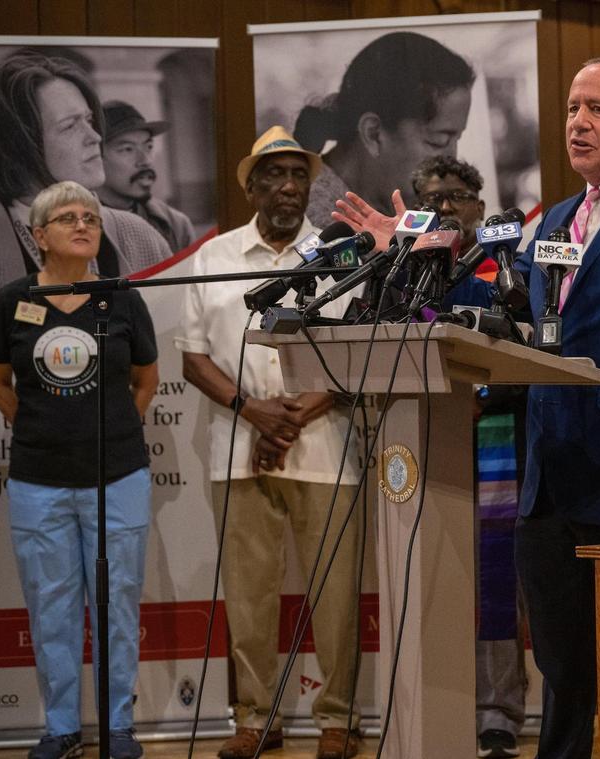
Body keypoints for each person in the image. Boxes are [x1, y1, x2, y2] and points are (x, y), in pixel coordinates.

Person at [331, 57, 600, 758]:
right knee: (564, 680)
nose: (577, 122)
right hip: (548, 480)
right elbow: (500, 314)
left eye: (597, 110)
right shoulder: (555, 217)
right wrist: (408, 254)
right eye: (573, 107)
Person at [174, 126, 363, 759]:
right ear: (251, 186)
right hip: (237, 448)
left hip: (328, 449)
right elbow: (193, 359)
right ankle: (257, 717)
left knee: (334, 593)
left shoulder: (341, 256)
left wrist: (290, 418)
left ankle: (336, 720)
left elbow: (359, 353)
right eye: (274, 176)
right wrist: (252, 411)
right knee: (249, 596)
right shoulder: (214, 256)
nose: (287, 186)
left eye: (298, 176)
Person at [0, 180, 158, 759]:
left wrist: (110, 429)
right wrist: (40, 424)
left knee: (118, 603)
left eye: (90, 216)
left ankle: (118, 727)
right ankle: (61, 727)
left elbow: (146, 380)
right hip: (39, 480)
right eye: (68, 217)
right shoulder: (12, 299)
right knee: (52, 606)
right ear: (39, 236)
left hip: (117, 474)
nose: (84, 224)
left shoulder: (121, 298)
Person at [409, 154, 526, 758]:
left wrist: (479, 394)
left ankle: (497, 711)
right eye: (436, 197)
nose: (449, 206)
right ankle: (436, 703)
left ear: (481, 208)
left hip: (500, 437)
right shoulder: (405, 274)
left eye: (460, 196)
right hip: (426, 439)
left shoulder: (505, 269)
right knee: (433, 574)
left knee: (495, 580)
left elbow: (531, 346)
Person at [0, 49, 171, 290]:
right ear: (20, 142)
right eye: (69, 126)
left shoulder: (140, 236)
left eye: (88, 121)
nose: (95, 136)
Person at [295, 32, 475, 226]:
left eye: (457, 139)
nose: (452, 158)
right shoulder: (307, 225)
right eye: (438, 141)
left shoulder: (412, 206)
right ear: (373, 134)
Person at [99, 100, 196, 252]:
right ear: (96, 157)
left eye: (148, 147)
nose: (145, 161)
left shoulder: (175, 224)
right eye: (127, 149)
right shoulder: (79, 227)